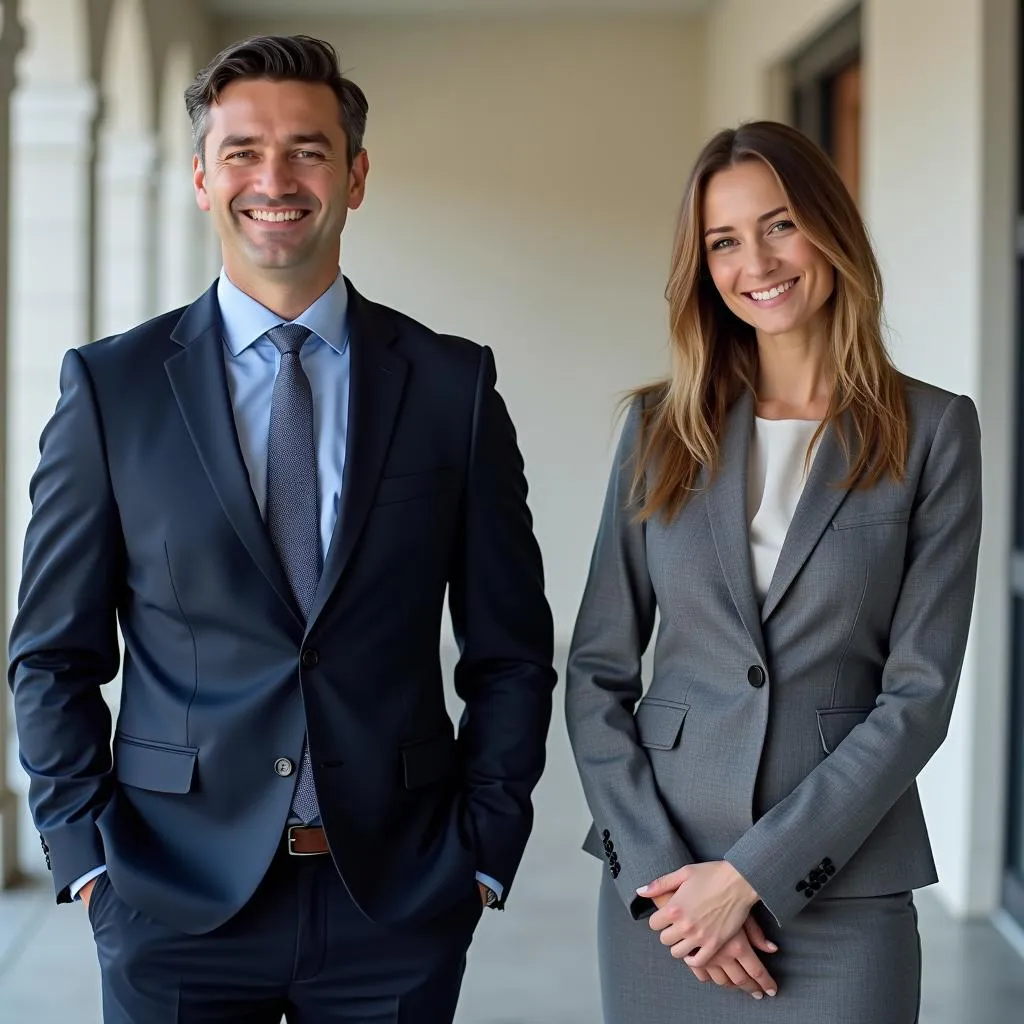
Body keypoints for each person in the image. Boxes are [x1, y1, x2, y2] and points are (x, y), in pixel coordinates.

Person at [9, 33, 555, 1024]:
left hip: (395, 893)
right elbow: (51, 654)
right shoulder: (112, 388)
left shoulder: (450, 386)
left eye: (306, 149)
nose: (275, 178)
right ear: (200, 178)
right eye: (243, 152)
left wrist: (483, 847)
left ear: (355, 175)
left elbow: (511, 649)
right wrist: (87, 859)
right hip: (168, 898)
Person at [564, 120, 982, 1023]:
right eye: (723, 241)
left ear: (829, 227)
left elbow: (920, 695)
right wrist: (662, 881)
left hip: (843, 887)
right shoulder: (657, 427)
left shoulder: (936, 431)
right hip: (662, 895)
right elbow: (597, 670)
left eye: (780, 223)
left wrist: (753, 876)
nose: (756, 259)